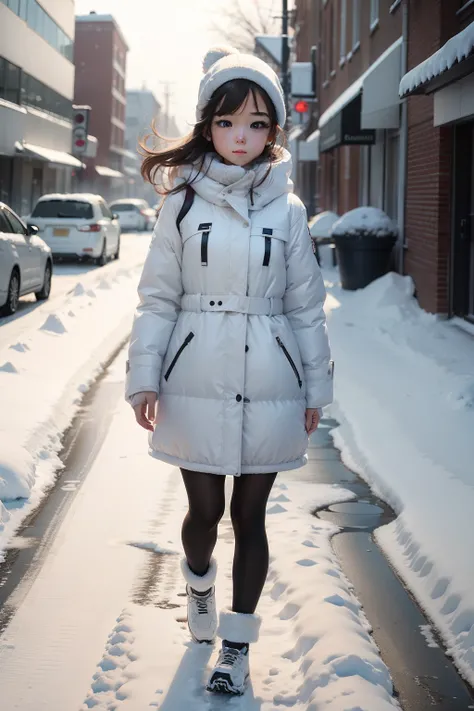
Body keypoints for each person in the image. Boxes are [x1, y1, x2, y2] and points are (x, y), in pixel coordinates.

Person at [125, 46, 333, 696]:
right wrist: (146, 375)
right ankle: (198, 583)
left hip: (271, 375)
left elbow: (305, 305)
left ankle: (235, 647)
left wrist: (316, 385)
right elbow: (158, 296)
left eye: (256, 124)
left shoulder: (289, 210)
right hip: (197, 371)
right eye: (226, 122)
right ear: (206, 125)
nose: (241, 137)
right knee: (204, 509)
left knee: (251, 514)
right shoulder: (181, 203)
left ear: (273, 131)